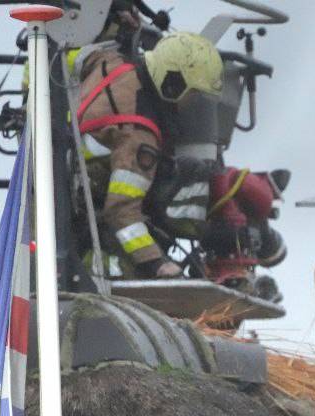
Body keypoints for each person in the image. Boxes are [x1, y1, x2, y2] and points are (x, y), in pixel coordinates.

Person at [75, 31, 223, 278]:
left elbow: (76, 58)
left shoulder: (112, 63)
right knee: (127, 270)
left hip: (54, 187)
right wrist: (156, 262)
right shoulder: (139, 137)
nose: (191, 104)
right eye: (192, 94)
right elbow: (121, 211)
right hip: (82, 216)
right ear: (172, 82)